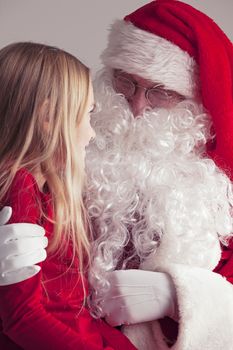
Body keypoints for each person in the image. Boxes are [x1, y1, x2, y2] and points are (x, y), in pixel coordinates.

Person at [0, 0, 233, 349]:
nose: (137, 107)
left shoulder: (214, 192)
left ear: (195, 103)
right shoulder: (58, 162)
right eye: (126, 83)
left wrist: (183, 295)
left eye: (160, 92)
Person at [0, 42, 136, 350]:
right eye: (86, 115)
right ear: (48, 117)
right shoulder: (19, 187)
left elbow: (73, 309)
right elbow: (23, 317)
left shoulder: (47, 188)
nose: (91, 133)